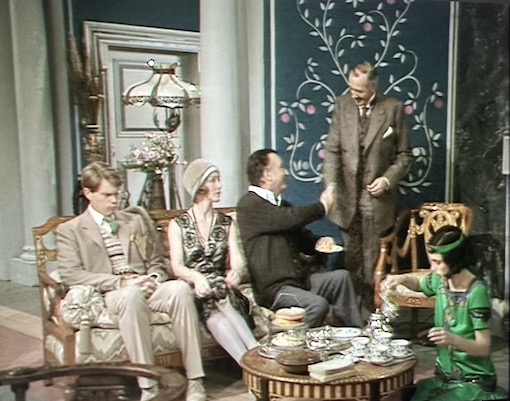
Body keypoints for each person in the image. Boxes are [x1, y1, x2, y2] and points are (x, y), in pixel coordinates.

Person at [56, 162, 207, 401]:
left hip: (144, 284)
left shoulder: (133, 221)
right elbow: (71, 274)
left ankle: (195, 380)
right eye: (107, 195)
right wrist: (120, 283)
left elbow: (155, 261)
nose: (114, 201)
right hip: (110, 293)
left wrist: (154, 278)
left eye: (117, 194)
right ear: (88, 193)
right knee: (131, 295)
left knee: (179, 289)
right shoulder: (70, 230)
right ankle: (149, 387)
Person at [236, 148, 364, 328]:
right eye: (281, 167)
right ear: (267, 175)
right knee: (317, 305)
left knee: (341, 278)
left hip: (299, 283)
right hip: (275, 291)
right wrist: (323, 207)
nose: (286, 172)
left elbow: (302, 239)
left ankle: (356, 334)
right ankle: (294, 344)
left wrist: (318, 242)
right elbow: (288, 218)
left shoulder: (282, 206)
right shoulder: (249, 205)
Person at [323, 61, 413, 312]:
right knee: (352, 259)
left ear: (374, 86)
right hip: (346, 198)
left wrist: (387, 180)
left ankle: (374, 316)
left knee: (373, 260)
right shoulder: (342, 106)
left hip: (376, 200)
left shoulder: (393, 109)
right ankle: (353, 314)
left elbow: (405, 155)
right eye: (351, 88)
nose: (354, 94)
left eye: (359, 90)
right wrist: (331, 185)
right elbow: (332, 150)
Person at [382, 225, 509, 401]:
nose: (433, 268)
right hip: (443, 378)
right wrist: (401, 279)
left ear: (455, 260)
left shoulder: (476, 292)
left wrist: (453, 339)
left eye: (438, 262)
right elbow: (419, 284)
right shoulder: (441, 281)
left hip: (472, 381)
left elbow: (483, 347)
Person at [168, 159, 258, 365]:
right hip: (194, 288)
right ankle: (254, 354)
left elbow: (237, 260)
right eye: (213, 180)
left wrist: (236, 271)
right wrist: (195, 277)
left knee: (216, 304)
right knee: (212, 300)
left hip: (220, 288)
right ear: (199, 186)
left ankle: (249, 367)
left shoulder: (226, 222)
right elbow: (177, 266)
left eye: (219, 180)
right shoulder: (178, 225)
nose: (219, 186)